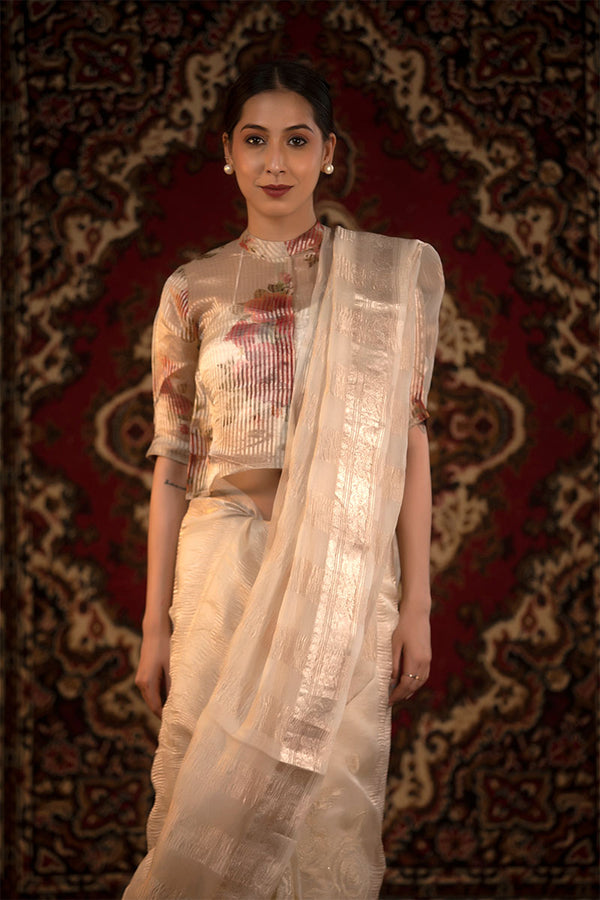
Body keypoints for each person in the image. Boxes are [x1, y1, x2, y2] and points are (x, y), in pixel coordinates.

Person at [124, 60, 444, 900]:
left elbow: (409, 446)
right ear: (226, 153)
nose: (276, 162)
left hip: (341, 572)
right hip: (220, 567)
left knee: (323, 806)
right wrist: (155, 626)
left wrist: (416, 605)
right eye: (256, 140)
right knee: (205, 806)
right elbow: (172, 465)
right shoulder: (189, 290)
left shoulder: (380, 285)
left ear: (328, 153)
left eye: (297, 141)